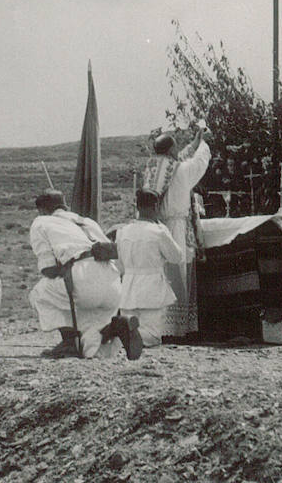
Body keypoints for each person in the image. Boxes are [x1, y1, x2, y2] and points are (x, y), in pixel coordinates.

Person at [28, 188, 142, 360]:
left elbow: (48, 270)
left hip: (82, 278)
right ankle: (116, 327)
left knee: (40, 293)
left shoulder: (41, 222)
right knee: (91, 349)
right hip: (112, 283)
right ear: (64, 205)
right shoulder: (86, 221)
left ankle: (68, 343)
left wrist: (63, 269)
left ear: (42, 209)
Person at [141, 126, 211, 337]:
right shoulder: (180, 170)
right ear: (171, 150)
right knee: (178, 271)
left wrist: (194, 143)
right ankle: (177, 329)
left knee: (161, 273)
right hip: (176, 227)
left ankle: (160, 325)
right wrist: (204, 144)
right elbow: (198, 164)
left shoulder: (154, 168)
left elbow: (180, 158)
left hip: (156, 225)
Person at [115, 189, 185, 347]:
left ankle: (121, 335)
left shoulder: (122, 232)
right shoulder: (158, 232)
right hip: (151, 287)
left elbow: (119, 265)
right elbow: (176, 257)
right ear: (155, 206)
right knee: (153, 336)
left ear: (137, 207)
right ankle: (123, 336)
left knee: (133, 322)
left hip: (128, 288)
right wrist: (163, 228)